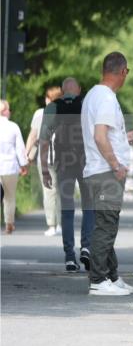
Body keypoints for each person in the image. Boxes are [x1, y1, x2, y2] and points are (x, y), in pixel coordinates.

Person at [82, 52, 133, 297]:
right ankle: (98, 280)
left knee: (108, 225)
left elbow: (104, 134)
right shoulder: (106, 98)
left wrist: (123, 140)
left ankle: (111, 276)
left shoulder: (93, 95)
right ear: (122, 71)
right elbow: (99, 136)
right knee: (105, 227)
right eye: (127, 72)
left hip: (97, 170)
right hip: (105, 172)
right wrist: (116, 165)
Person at [39, 78, 96, 272]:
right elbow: (99, 134)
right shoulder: (87, 104)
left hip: (63, 163)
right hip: (86, 162)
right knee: (89, 205)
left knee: (67, 208)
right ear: (79, 90)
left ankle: (70, 257)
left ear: (62, 92)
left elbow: (44, 141)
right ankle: (87, 247)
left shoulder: (53, 107)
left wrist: (45, 169)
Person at [25, 81, 63, 236]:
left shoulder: (40, 113)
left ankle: (51, 225)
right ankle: (60, 224)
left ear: (49, 98)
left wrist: (26, 155)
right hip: (64, 158)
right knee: (60, 191)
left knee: (49, 190)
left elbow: (33, 136)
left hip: (46, 157)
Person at [0, 100, 29, 234]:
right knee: (9, 197)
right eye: (9, 109)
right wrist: (23, 165)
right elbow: (20, 148)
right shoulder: (13, 126)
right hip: (10, 167)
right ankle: (9, 224)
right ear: (4, 111)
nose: (10, 112)